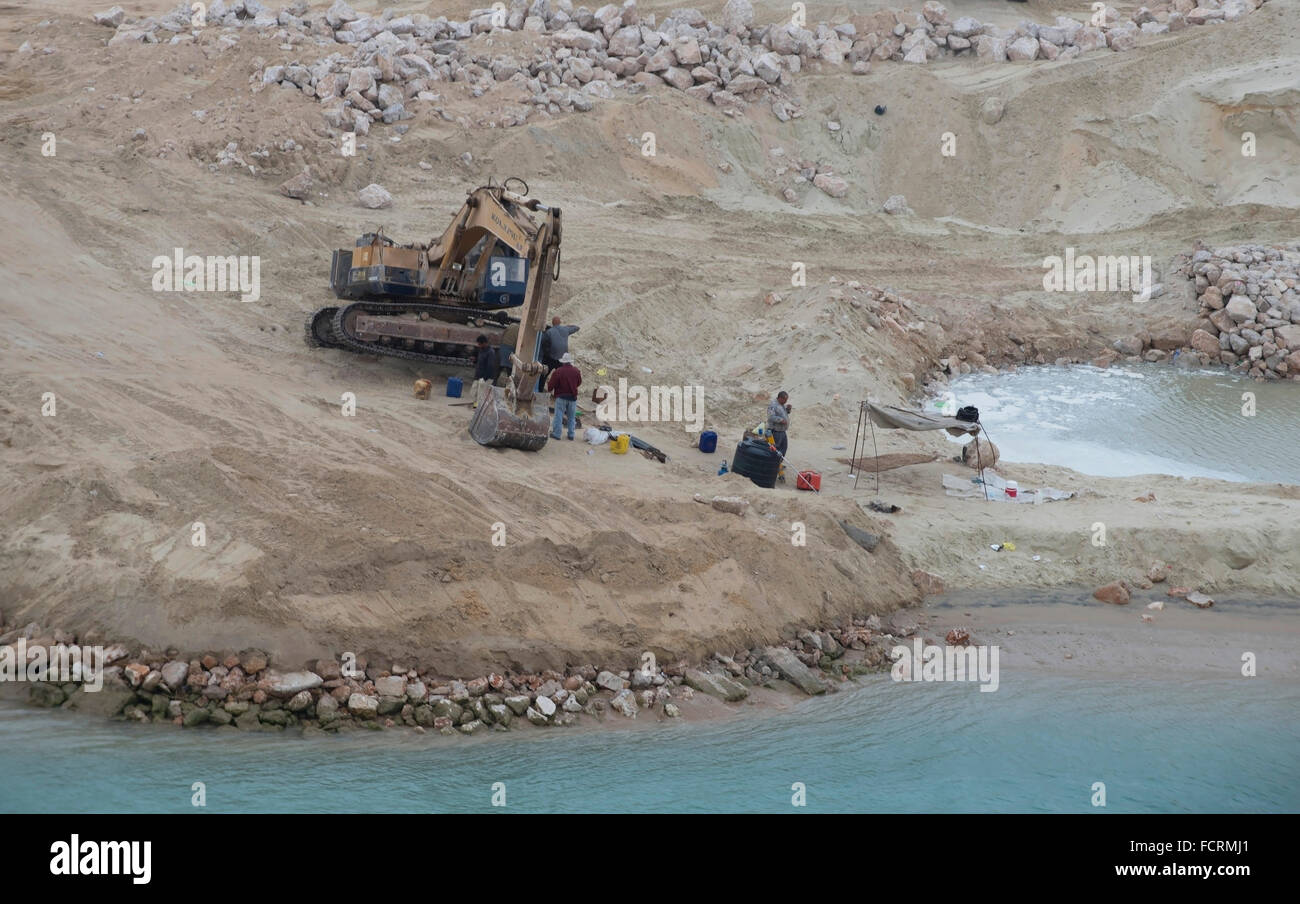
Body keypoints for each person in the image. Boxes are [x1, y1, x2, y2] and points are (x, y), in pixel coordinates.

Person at [547, 352, 582, 440]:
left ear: (563, 362)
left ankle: (557, 434)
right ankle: (571, 435)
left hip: (561, 397)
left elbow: (550, 386)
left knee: (558, 416)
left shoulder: (558, 371)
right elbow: (579, 382)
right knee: (571, 417)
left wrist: (550, 389)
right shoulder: (576, 371)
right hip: (572, 397)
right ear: (570, 362)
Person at [766, 391, 792, 479]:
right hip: (775, 431)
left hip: (782, 431)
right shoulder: (773, 405)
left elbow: (783, 413)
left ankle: (778, 463)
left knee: (784, 448)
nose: (785, 401)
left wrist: (788, 409)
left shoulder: (781, 405)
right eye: (785, 400)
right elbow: (771, 417)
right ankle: (774, 467)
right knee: (776, 451)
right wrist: (780, 420)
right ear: (780, 398)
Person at [471, 334, 497, 408]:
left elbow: (490, 367)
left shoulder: (490, 352)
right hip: (479, 375)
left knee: (481, 393)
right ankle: (476, 405)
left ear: (484, 343)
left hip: (487, 377)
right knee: (473, 391)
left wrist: (484, 378)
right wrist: (474, 360)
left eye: (479, 344)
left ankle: (479, 407)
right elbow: (480, 362)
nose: (478, 345)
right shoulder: (481, 350)